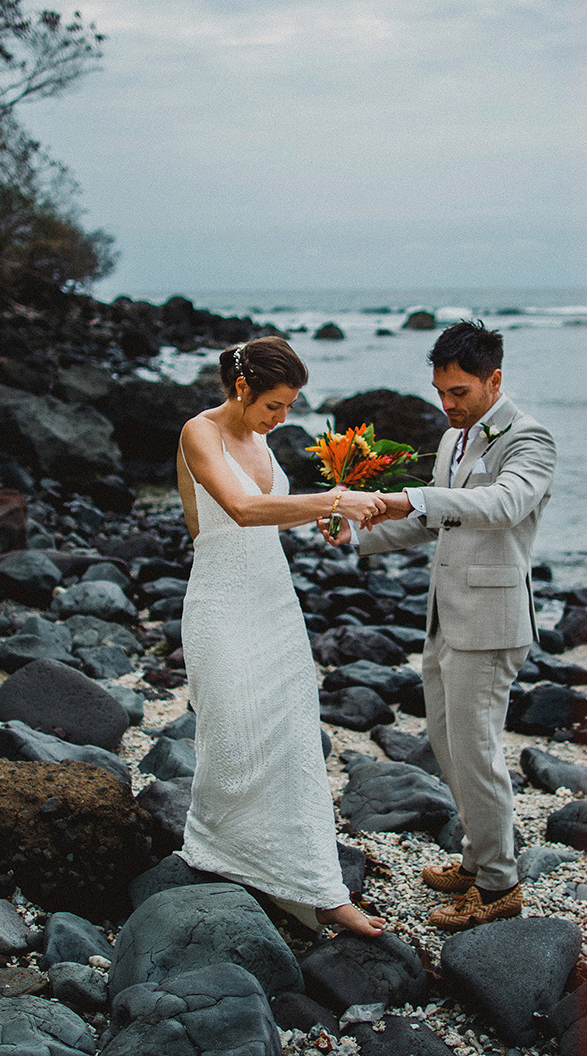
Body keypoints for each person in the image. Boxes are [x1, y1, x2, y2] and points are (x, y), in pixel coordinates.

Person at [321, 321, 555, 929]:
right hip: (444, 615)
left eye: (459, 392)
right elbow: (433, 520)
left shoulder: (530, 439)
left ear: (493, 380)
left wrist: (411, 496)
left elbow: (502, 505)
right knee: (450, 747)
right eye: (440, 392)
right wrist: (358, 532)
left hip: (492, 623)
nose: (447, 404)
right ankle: (477, 860)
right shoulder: (454, 439)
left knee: (477, 753)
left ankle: (500, 884)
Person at [175, 335, 387, 936]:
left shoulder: (262, 437)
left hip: (273, 600)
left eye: (290, 406)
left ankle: (318, 887)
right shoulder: (199, 433)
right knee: (230, 735)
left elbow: (270, 517)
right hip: (220, 602)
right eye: (275, 405)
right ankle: (224, 854)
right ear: (242, 388)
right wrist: (335, 498)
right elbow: (240, 511)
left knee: (291, 740)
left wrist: (322, 515)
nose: (283, 418)